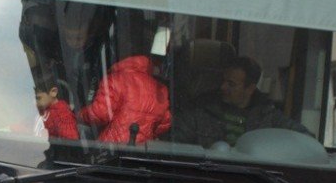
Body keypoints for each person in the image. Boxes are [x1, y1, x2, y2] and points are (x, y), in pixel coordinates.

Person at [171, 56, 311, 148]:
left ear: (250, 89)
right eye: (224, 81)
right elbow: (173, 142)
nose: (223, 87)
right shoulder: (201, 110)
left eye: (231, 84)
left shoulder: (268, 116)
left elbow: (306, 140)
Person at [77, 54, 171, 144]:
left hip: (113, 149)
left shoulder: (115, 79)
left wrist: (80, 114)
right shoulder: (160, 90)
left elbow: (100, 113)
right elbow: (165, 122)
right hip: (142, 152)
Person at [33, 70, 79, 141]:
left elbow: (71, 141)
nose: (34, 103)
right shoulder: (44, 110)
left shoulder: (62, 116)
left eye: (38, 98)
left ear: (53, 92)